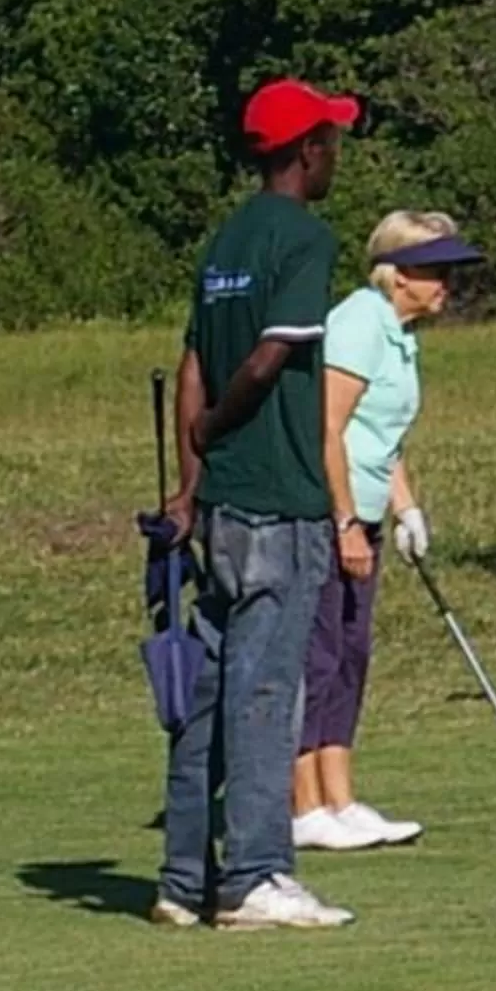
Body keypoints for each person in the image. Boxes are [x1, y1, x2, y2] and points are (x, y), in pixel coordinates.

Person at [155, 77, 362, 930]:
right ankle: (253, 875)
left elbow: (195, 359)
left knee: (208, 692)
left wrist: (191, 477)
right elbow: (269, 358)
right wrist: (221, 424)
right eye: (331, 140)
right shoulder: (303, 239)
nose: (336, 155)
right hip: (279, 497)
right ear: (306, 149)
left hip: (225, 507)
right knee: (266, 690)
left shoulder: (224, 240)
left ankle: (182, 878)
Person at [296, 209, 486, 852]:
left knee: (352, 654)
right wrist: (346, 521)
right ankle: (304, 806)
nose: (446, 286)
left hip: (368, 517)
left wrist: (406, 509)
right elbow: (328, 429)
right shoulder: (358, 323)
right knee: (316, 656)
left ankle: (341, 799)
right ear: (399, 274)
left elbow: (382, 438)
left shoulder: (400, 335)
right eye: (436, 271)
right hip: (328, 517)